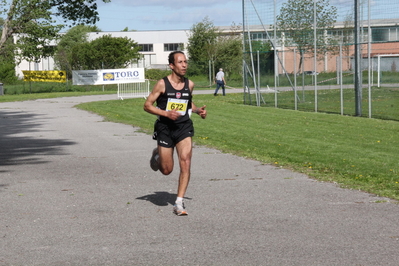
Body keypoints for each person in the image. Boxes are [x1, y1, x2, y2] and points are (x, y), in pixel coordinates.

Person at [143, 51, 207, 216]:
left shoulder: (189, 84)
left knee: (185, 161)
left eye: (185, 61)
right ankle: (157, 154)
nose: (184, 65)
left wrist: (197, 110)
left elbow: (187, 102)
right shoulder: (162, 84)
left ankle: (179, 202)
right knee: (166, 170)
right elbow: (147, 105)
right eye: (180, 62)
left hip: (183, 127)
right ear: (171, 65)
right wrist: (166, 114)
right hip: (165, 128)